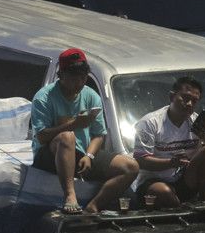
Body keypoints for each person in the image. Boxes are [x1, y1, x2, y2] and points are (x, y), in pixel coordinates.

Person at [30, 48, 138, 213]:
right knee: (67, 137)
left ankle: (94, 205)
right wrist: (74, 124)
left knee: (130, 166)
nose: (79, 83)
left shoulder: (91, 96)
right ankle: (70, 195)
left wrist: (89, 155)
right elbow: (42, 137)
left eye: (83, 77)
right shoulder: (44, 97)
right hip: (50, 155)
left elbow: (99, 134)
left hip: (82, 153)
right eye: (74, 78)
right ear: (61, 75)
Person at [131, 76, 205, 208]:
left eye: (194, 101)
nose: (189, 104)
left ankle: (204, 202)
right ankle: (182, 210)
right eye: (185, 98)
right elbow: (141, 161)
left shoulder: (197, 121)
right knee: (164, 192)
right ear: (172, 97)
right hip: (153, 182)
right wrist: (172, 162)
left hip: (185, 179)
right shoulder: (150, 122)